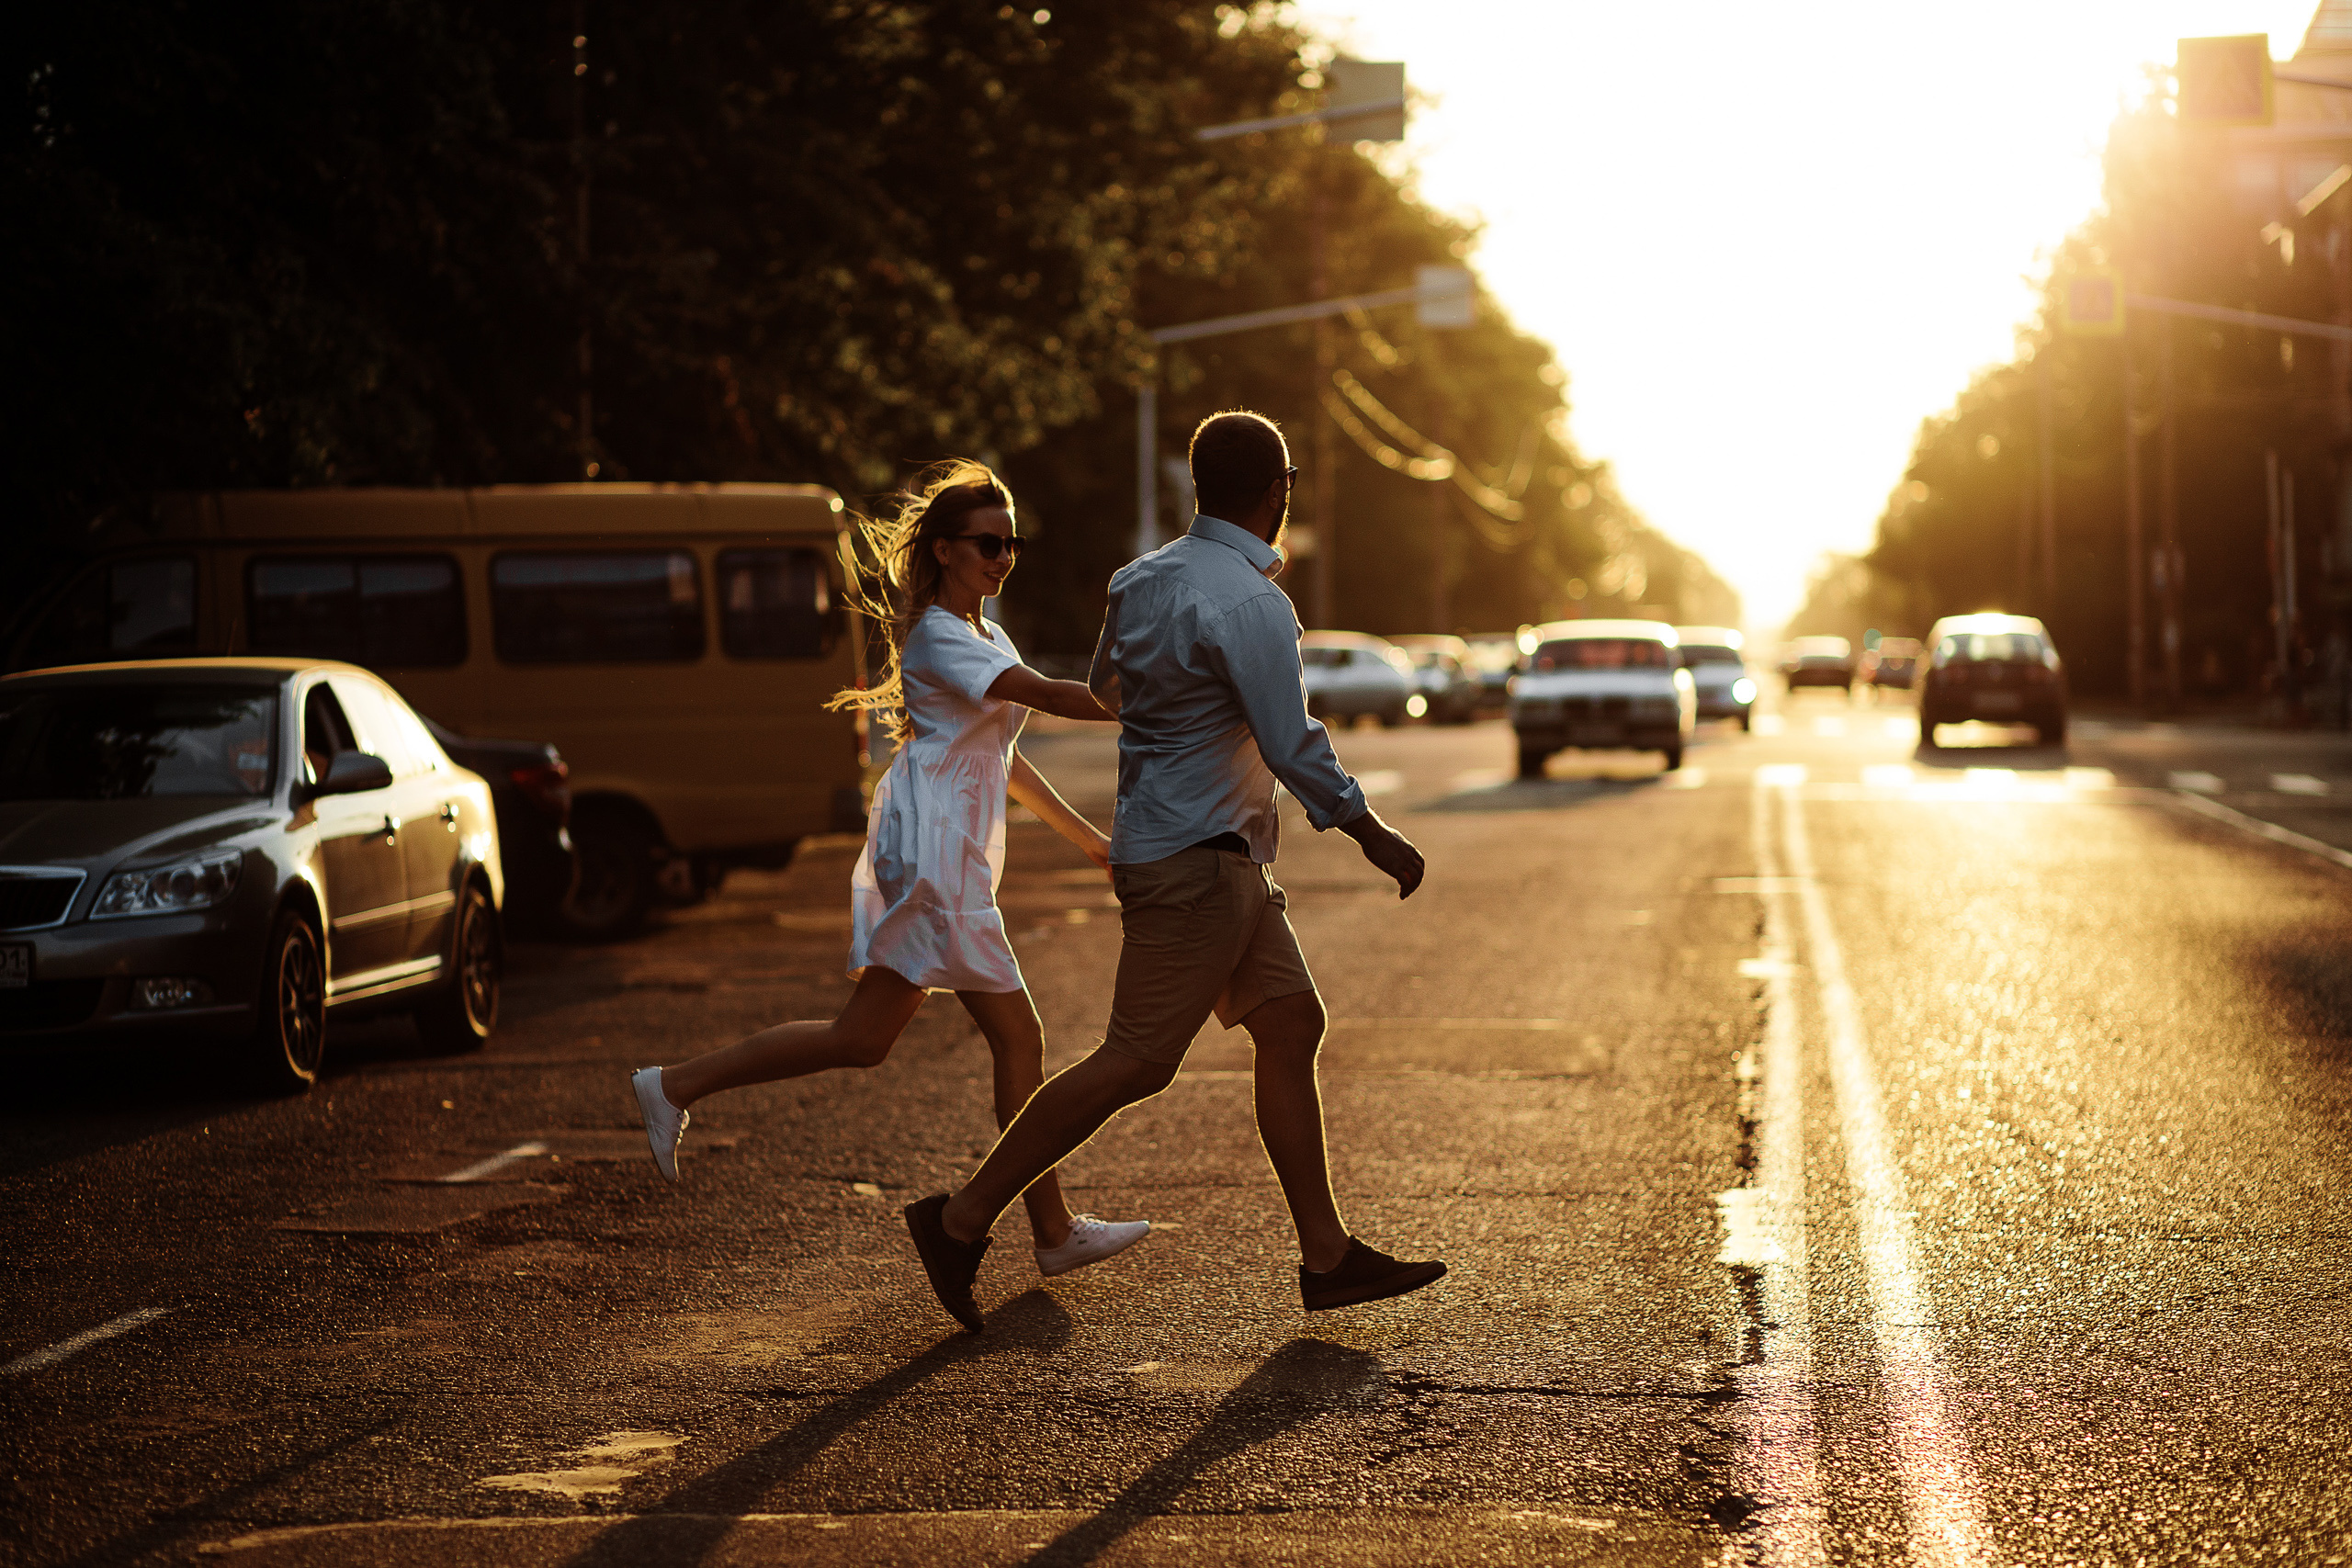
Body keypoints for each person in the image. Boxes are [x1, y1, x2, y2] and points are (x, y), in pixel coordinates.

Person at [901, 410, 1444, 1332]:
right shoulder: (1250, 603)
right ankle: (959, 1221)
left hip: (1205, 850)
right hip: (1197, 861)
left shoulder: (1141, 579)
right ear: (1278, 491)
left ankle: (1327, 1256)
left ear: (1200, 487)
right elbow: (1290, 741)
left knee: (1290, 1022)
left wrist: (1183, 713)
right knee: (1136, 1060)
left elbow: (1109, 692)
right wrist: (1370, 831)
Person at [629, 462, 1151, 1280]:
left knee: (862, 1038)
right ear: (944, 549)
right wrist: (1151, 696)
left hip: (946, 841)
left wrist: (1090, 842)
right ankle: (1053, 1231)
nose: (1004, 557)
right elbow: (1052, 696)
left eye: (1011, 543)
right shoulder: (942, 633)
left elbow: (1006, 758)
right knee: (1018, 1035)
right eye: (988, 543)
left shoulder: (986, 633)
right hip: (936, 846)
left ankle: (674, 1085)